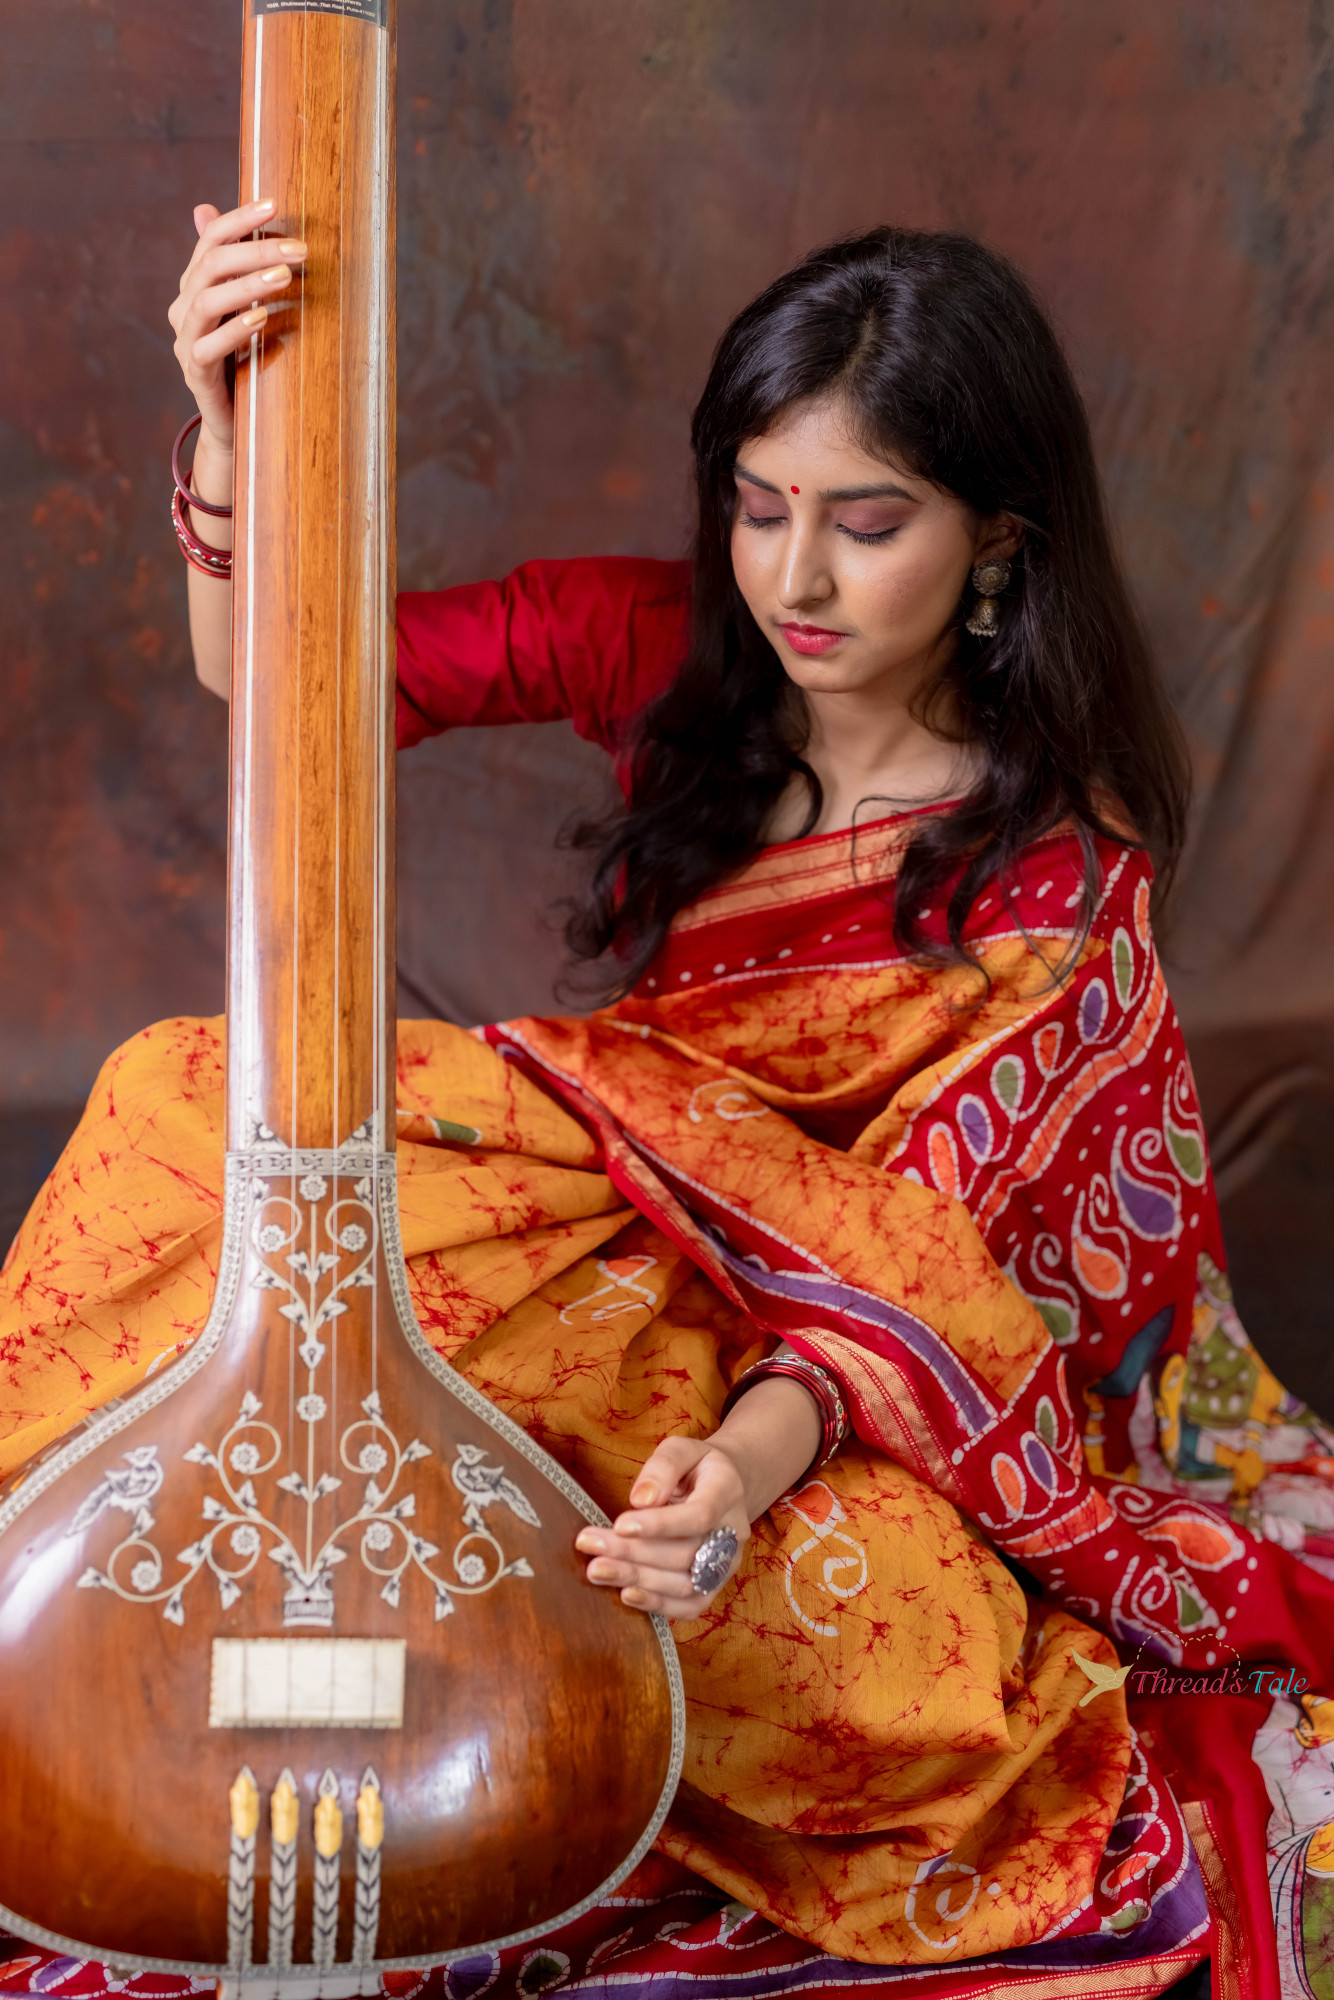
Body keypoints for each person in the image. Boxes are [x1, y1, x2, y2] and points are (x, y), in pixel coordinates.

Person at [4, 208, 1334, 1996]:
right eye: (758, 504)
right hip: (612, 1238)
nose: (796, 577)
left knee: (898, 1667)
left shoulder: (1048, 880)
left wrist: (731, 1486)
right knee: (185, 1094)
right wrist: (235, 428)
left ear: (996, 545)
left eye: (866, 525)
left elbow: (915, 1263)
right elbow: (284, 686)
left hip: (840, 1388)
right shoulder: (665, 655)